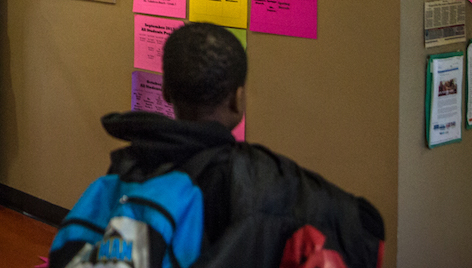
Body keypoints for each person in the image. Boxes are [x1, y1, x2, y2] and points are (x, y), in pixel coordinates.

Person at [49, 22, 385, 268]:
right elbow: (366, 226)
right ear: (239, 100)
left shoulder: (130, 166)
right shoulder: (265, 177)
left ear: (166, 93)